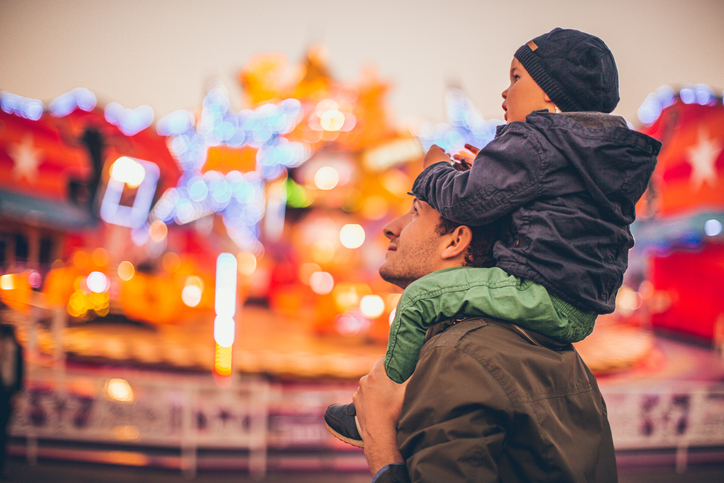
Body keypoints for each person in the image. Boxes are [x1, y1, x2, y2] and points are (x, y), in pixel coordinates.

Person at [325, 27, 661, 447]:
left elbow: (466, 203)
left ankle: (376, 408)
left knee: (420, 298)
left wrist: (433, 174)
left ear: (550, 96)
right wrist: (491, 167)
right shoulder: (598, 156)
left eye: (516, 77)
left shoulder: (533, 141)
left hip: (538, 288)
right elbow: (554, 203)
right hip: (580, 307)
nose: (505, 92)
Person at [354, 197, 618, 482]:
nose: (391, 228)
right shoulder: (543, 340)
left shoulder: (458, 355)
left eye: (415, 212)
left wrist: (380, 440)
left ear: (455, 241)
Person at [0, 323, 24, 479]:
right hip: (8, 392)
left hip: (7, 393)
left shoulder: (16, 349)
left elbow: (20, 372)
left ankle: (1, 464)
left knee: (3, 430)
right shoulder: (16, 348)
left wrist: (17, 393)